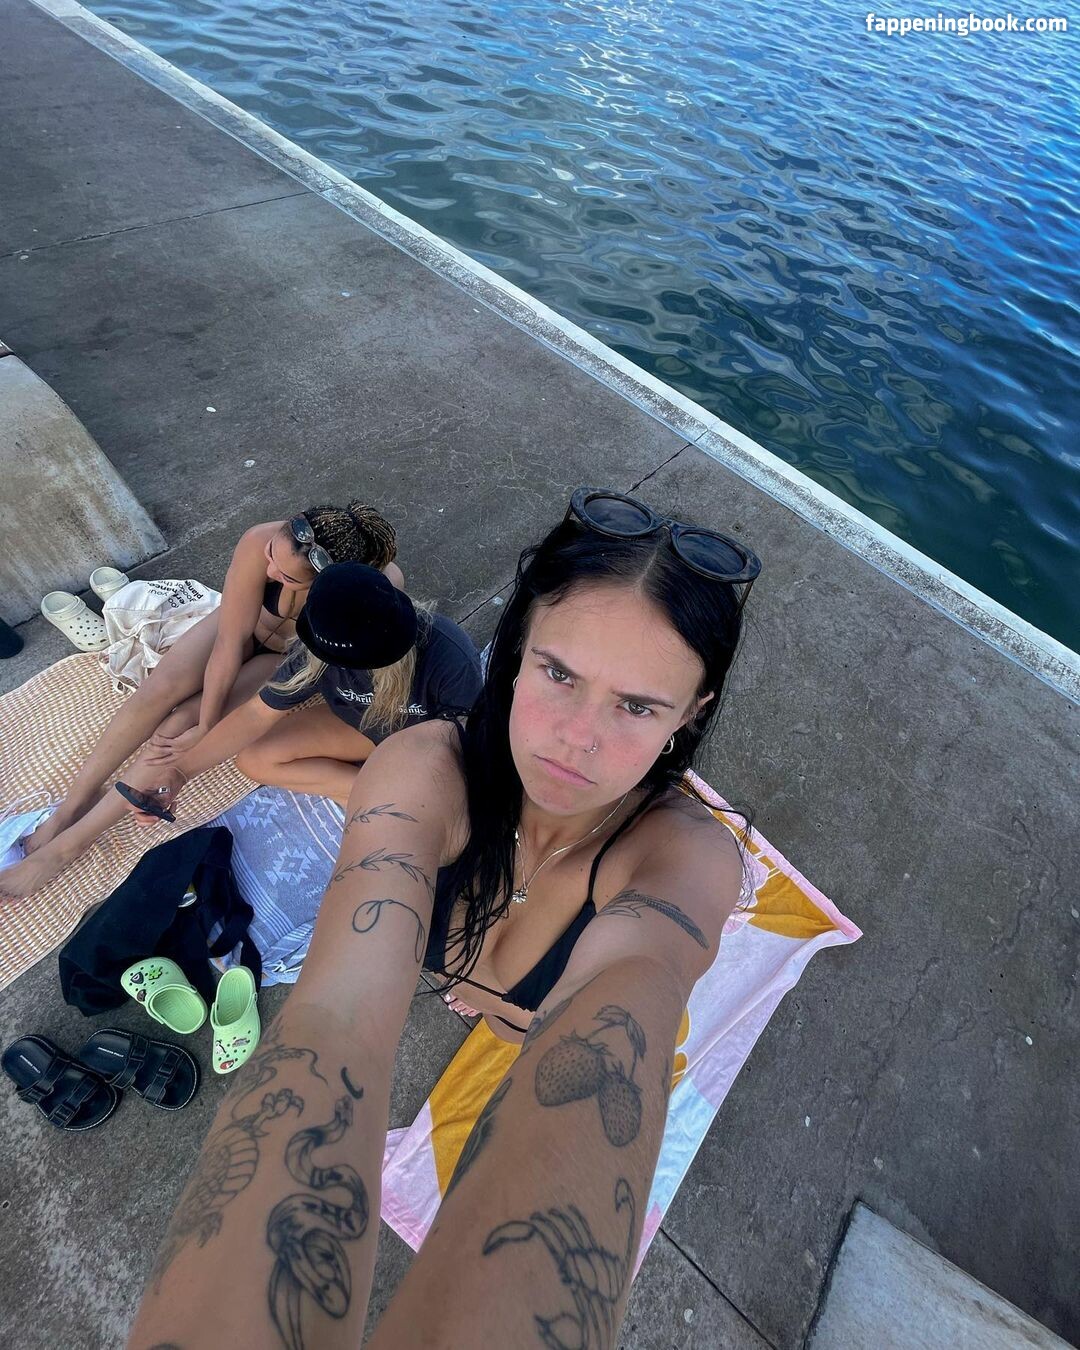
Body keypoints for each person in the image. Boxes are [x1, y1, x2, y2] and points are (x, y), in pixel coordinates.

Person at [126, 487, 761, 1349]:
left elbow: (611, 1054)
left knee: (521, 1029)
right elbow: (335, 1019)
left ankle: (499, 1011)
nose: (575, 737)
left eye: (637, 705)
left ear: (692, 713)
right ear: (516, 655)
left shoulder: (687, 860)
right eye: (559, 674)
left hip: (524, 1012)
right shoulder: (427, 766)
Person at [0, 563, 482, 897]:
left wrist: (419, 790)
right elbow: (256, 715)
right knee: (254, 757)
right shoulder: (319, 645)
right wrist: (180, 773)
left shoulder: (449, 660)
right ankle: (370, 798)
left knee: (443, 835)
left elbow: (462, 751)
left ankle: (387, 806)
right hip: (364, 728)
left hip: (421, 743)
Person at [20, 502, 402, 860]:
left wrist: (200, 725)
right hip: (236, 630)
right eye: (272, 557)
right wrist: (208, 722)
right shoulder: (262, 539)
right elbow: (229, 641)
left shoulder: (368, 591)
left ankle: (71, 844)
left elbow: (312, 668)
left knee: (176, 727)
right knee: (159, 691)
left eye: (286, 578)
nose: (270, 571)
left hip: (281, 656)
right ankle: (71, 806)